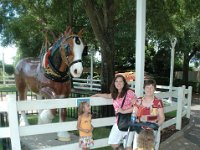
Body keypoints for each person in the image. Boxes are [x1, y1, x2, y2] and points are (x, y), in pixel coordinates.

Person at [92, 74, 137, 150]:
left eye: (120, 81)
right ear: (114, 83)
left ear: (124, 83)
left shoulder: (129, 93)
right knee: (113, 142)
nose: (118, 83)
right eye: (116, 81)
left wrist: (123, 111)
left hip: (129, 121)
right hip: (118, 121)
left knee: (128, 145)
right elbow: (107, 95)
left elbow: (136, 107)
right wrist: (97, 95)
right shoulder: (115, 94)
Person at [133, 79, 165, 150]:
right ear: (144, 88)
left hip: (153, 131)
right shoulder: (139, 101)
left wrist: (155, 126)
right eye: (147, 87)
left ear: (154, 89)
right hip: (140, 130)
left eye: (151, 87)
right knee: (138, 148)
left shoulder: (158, 102)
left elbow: (162, 117)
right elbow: (134, 115)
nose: (149, 89)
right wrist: (137, 120)